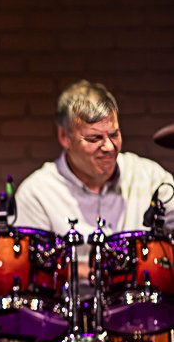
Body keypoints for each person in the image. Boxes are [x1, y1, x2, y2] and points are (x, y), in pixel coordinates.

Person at [15, 80, 174, 239]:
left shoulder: (152, 178)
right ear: (64, 137)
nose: (109, 147)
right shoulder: (36, 195)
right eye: (94, 138)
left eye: (114, 135)